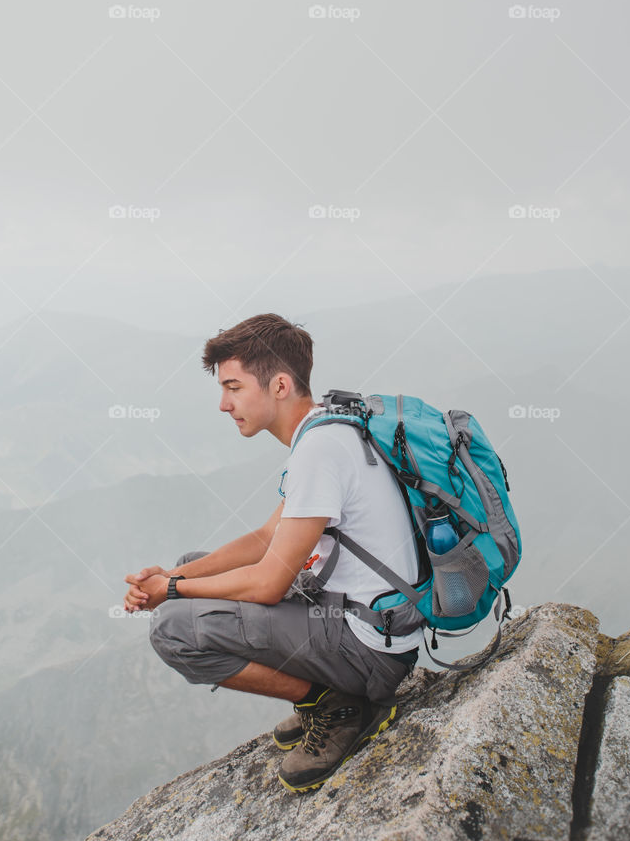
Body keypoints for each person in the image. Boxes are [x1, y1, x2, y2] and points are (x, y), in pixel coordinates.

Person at [123, 313, 422, 792]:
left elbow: (268, 583)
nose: (223, 404)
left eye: (234, 388)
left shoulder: (321, 451)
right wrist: (172, 576)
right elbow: (267, 538)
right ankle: (324, 694)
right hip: (366, 619)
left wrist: (172, 592)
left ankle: (336, 705)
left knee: (173, 628)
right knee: (188, 563)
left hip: (369, 649)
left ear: (279, 384)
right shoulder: (327, 425)